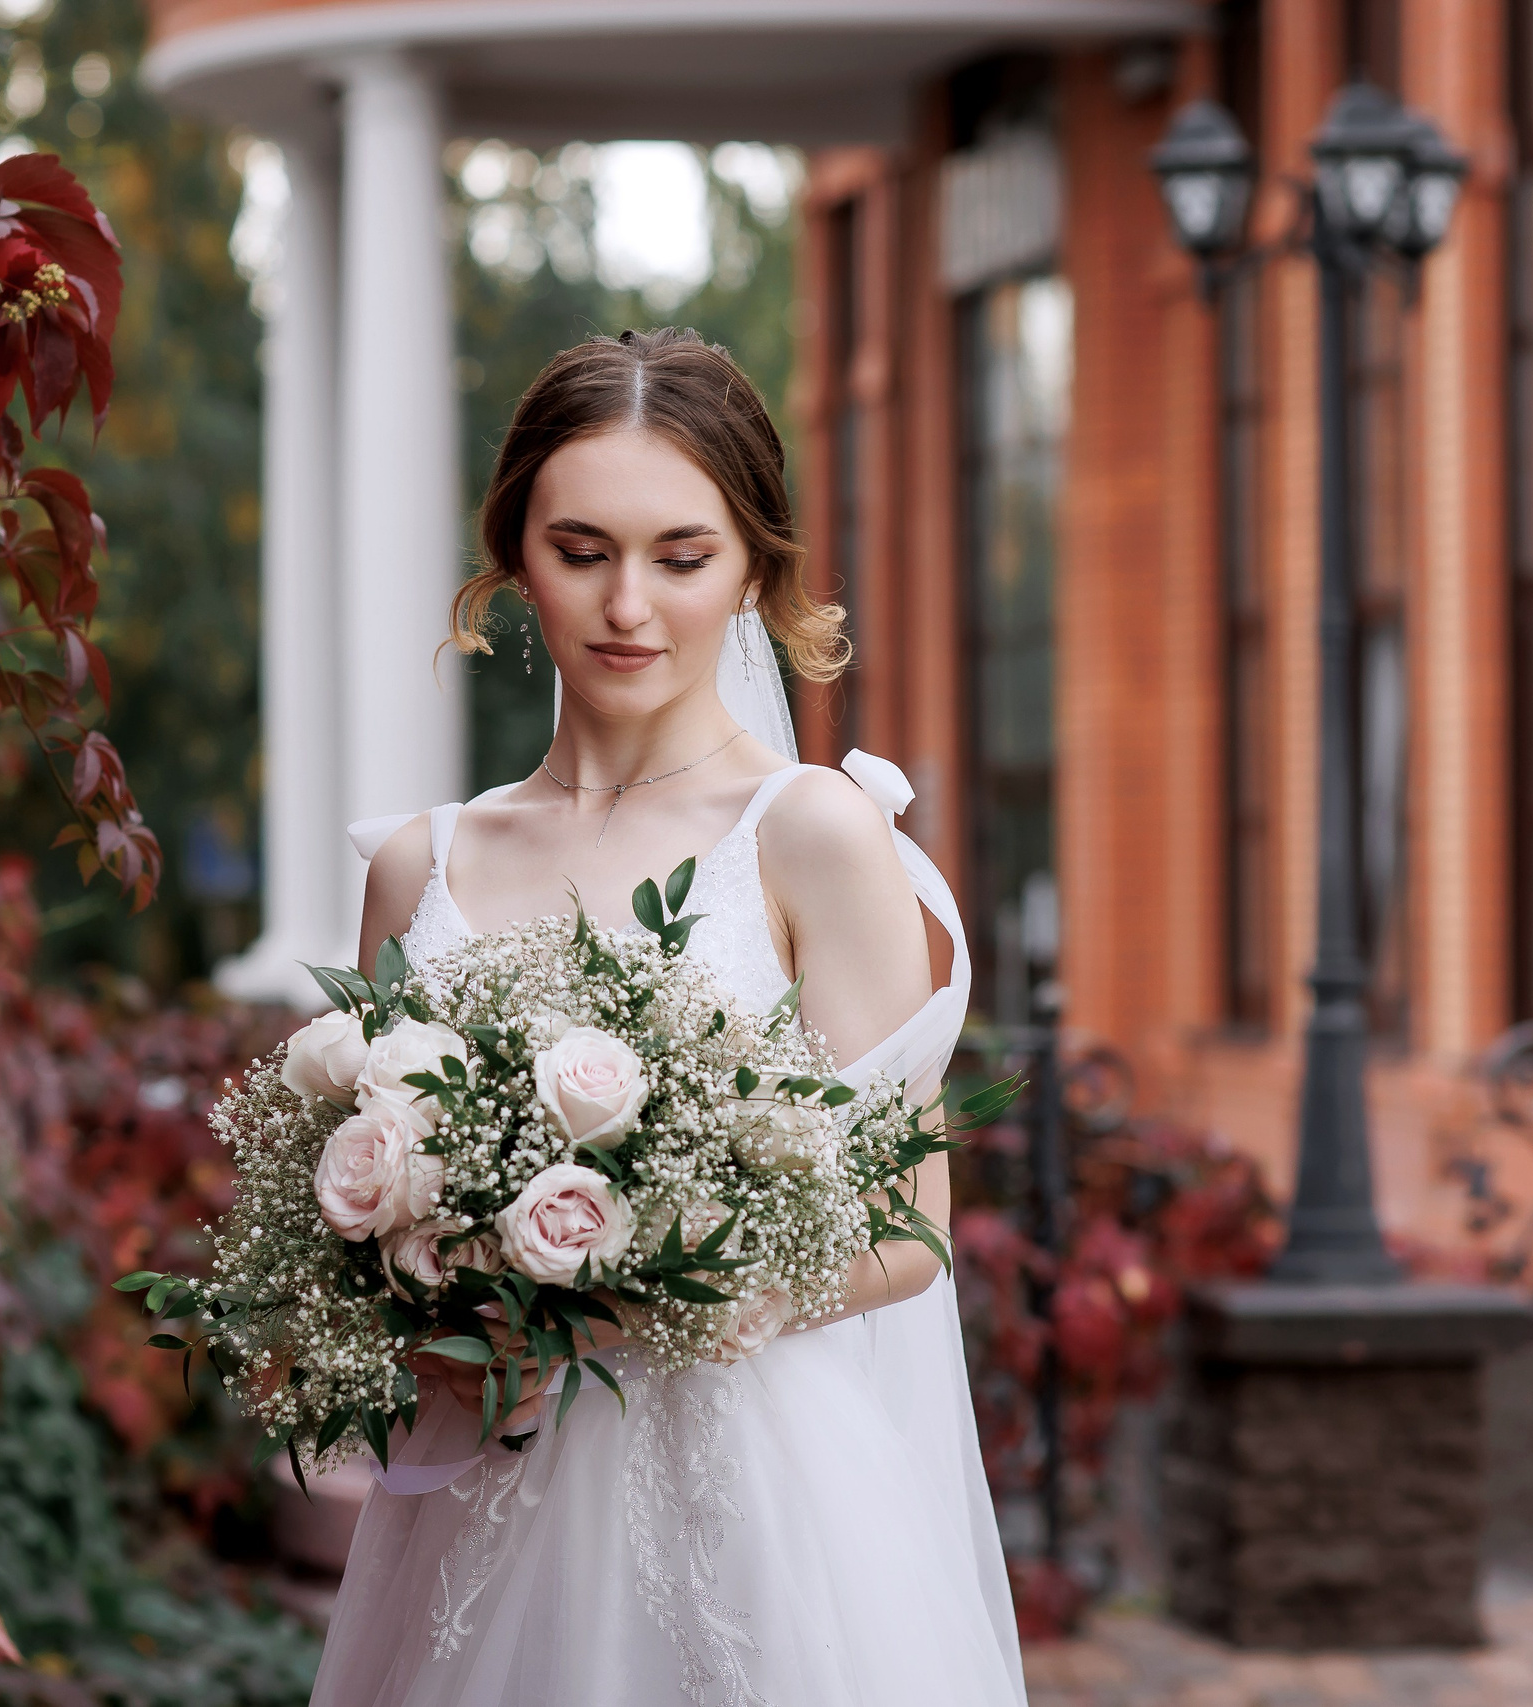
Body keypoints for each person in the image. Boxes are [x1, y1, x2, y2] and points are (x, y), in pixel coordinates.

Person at [311, 329, 1026, 1707]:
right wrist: (412, 1271)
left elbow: (909, 1227)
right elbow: (366, 1235)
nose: (627, 603)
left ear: (753, 568)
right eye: (581, 550)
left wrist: (652, 1281)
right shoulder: (421, 867)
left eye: (681, 557)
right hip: (481, 1507)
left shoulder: (811, 832)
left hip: (751, 1513)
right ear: (515, 554)